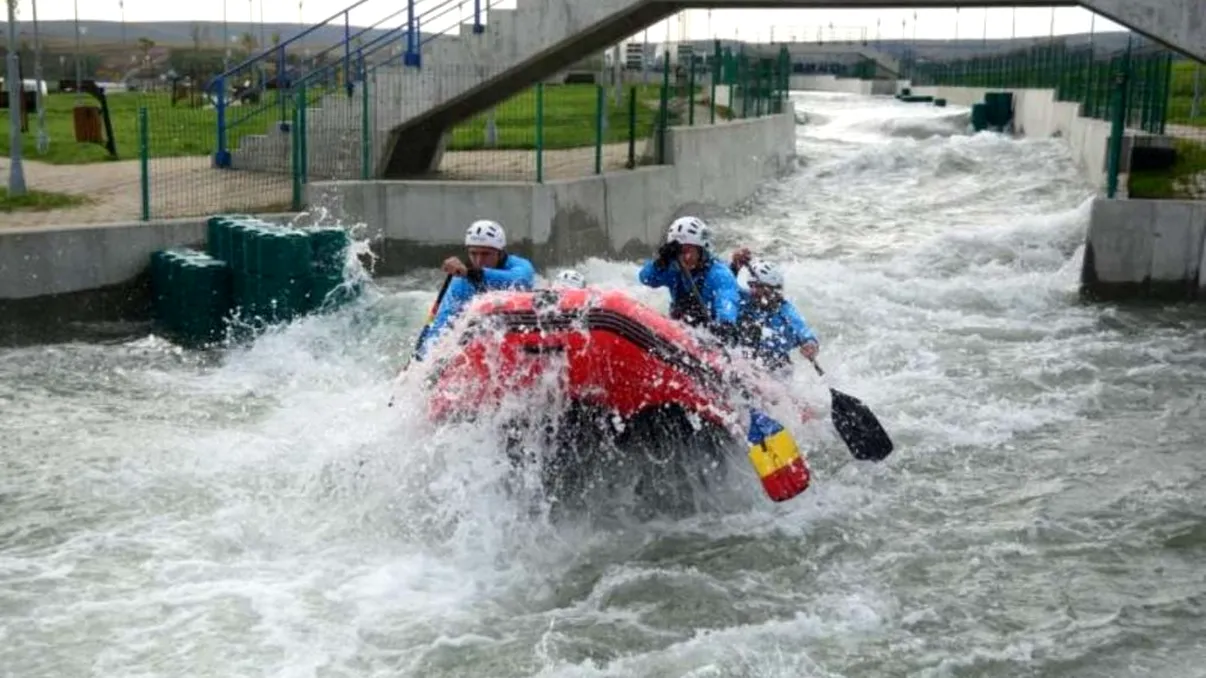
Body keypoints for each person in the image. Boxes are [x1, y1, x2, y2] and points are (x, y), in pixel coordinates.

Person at [413, 219, 536, 360]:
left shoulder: (520, 265)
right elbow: (441, 327)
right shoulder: (462, 282)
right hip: (479, 340)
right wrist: (426, 358)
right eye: (473, 253)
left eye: (485, 254)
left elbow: (520, 281)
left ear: (500, 253)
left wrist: (471, 273)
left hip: (521, 333)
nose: (478, 260)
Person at [637, 216, 742, 343]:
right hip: (681, 332)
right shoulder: (673, 269)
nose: (684, 257)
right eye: (679, 251)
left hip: (710, 334)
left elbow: (727, 298)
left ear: (701, 249)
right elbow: (646, 278)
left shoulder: (719, 274)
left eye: (688, 251)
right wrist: (660, 262)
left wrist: (725, 323)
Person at [728, 250, 820, 375]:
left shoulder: (786, 313)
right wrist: (734, 267)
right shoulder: (747, 299)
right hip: (744, 358)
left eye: (759, 287)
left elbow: (804, 332)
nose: (754, 291)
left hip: (775, 368)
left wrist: (810, 345)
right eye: (752, 285)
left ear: (773, 289)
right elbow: (727, 286)